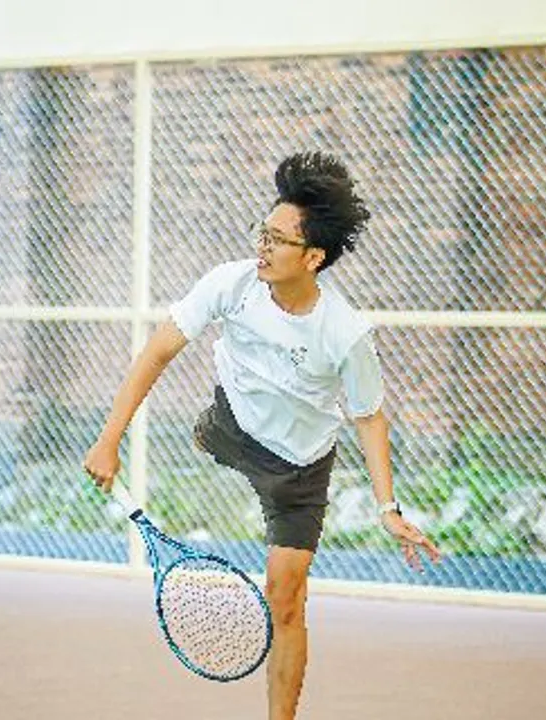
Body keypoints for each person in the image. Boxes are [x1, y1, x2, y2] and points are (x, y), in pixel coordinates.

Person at [84, 151, 441, 720]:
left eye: (278, 240)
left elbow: (369, 416)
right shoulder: (232, 283)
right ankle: (210, 437)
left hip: (299, 468)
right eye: (262, 233)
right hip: (232, 425)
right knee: (213, 430)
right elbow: (157, 352)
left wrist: (387, 507)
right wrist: (109, 439)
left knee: (287, 600)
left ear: (314, 257)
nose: (263, 247)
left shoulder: (345, 333)